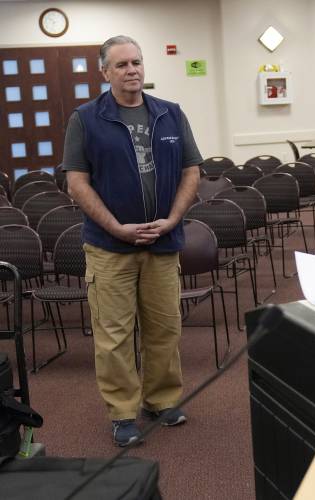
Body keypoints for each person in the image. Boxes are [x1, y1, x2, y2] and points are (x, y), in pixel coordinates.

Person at [63, 35, 202, 447]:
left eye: (137, 62)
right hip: (110, 248)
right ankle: (123, 412)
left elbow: (192, 171)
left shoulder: (170, 114)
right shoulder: (85, 119)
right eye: (122, 65)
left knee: (164, 328)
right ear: (105, 72)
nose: (132, 71)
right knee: (114, 333)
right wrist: (115, 228)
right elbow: (76, 182)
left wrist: (173, 219)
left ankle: (160, 400)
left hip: (162, 242)